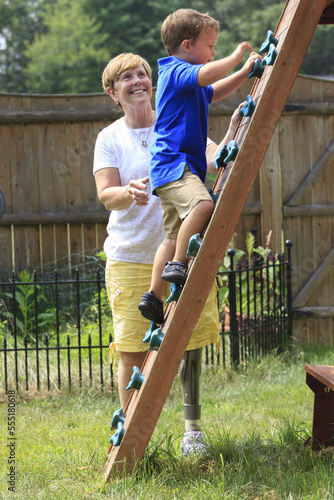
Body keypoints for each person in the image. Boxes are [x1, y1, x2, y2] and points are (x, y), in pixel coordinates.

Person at [93, 52, 242, 456]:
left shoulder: (176, 118)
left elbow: (212, 158)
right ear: (113, 92)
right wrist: (128, 193)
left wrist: (230, 130)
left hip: (183, 259)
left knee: (191, 342)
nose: (139, 80)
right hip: (129, 257)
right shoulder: (110, 138)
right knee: (131, 347)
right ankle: (132, 433)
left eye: (143, 73)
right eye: (127, 77)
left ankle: (192, 432)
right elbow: (105, 193)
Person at [138, 9, 260, 325]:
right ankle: (178, 264)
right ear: (188, 45)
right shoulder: (174, 71)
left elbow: (213, 91)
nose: (214, 52)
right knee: (204, 204)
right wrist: (235, 57)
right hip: (174, 164)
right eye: (211, 46)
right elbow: (207, 76)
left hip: (171, 169)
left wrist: (245, 72)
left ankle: (153, 295)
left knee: (172, 235)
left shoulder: (188, 81)